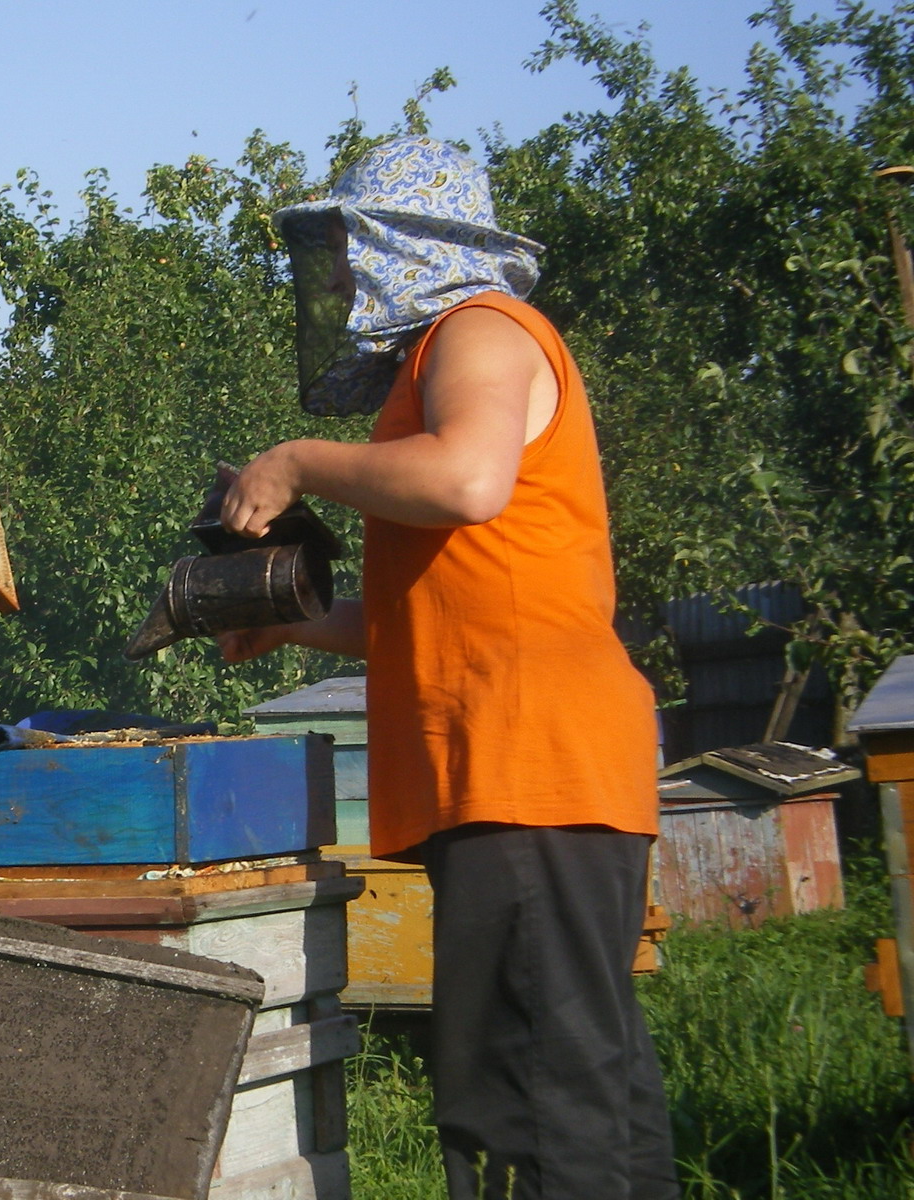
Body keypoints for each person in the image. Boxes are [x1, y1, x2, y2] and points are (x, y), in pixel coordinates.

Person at [219, 137, 678, 1199]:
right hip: (525, 770)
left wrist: (296, 462)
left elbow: (469, 482)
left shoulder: (481, 332)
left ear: (399, 243)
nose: (335, 276)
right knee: (586, 1098)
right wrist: (295, 626)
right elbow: (426, 617)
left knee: (526, 1104)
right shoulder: (440, 360)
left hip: (526, 768)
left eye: (345, 246)